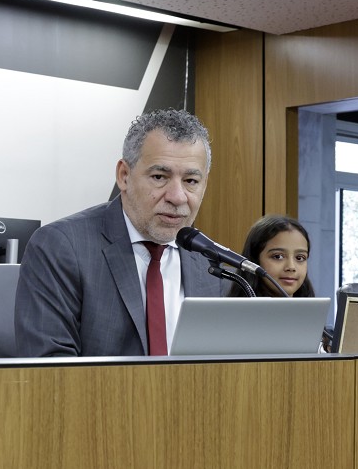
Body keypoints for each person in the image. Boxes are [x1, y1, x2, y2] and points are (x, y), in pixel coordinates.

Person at [15, 108, 224, 357]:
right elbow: (51, 371)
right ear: (124, 176)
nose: (177, 197)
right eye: (159, 177)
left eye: (191, 181)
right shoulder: (61, 247)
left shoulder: (211, 264)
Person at [227, 215, 316, 298]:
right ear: (255, 260)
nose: (291, 267)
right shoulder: (234, 310)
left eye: (300, 258)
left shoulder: (315, 308)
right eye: (278, 256)